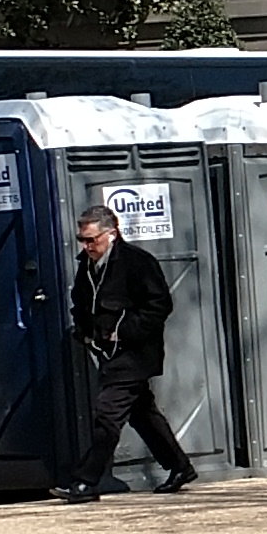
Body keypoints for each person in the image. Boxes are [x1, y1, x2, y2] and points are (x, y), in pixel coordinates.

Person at [61, 206, 196, 500]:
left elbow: (159, 305)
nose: (86, 246)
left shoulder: (137, 262)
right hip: (106, 351)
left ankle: (86, 481)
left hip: (135, 353)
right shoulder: (86, 264)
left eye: (91, 240)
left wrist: (124, 331)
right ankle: (179, 466)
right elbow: (81, 302)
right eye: (81, 239)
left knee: (108, 414)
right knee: (142, 413)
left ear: (111, 234)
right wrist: (84, 331)